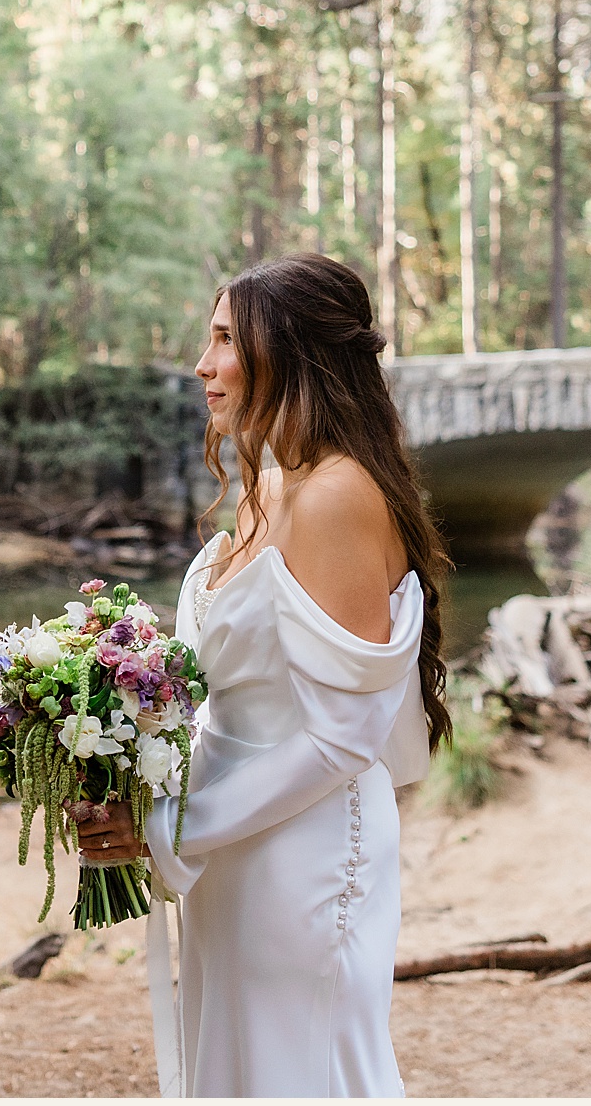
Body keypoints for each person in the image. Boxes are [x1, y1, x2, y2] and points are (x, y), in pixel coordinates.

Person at [74, 253, 452, 1098]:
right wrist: (129, 771)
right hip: (229, 852)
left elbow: (340, 736)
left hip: (305, 856)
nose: (202, 366)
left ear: (289, 352)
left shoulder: (339, 496)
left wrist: (174, 827)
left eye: (221, 340)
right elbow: (223, 697)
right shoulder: (265, 489)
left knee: (305, 1069)